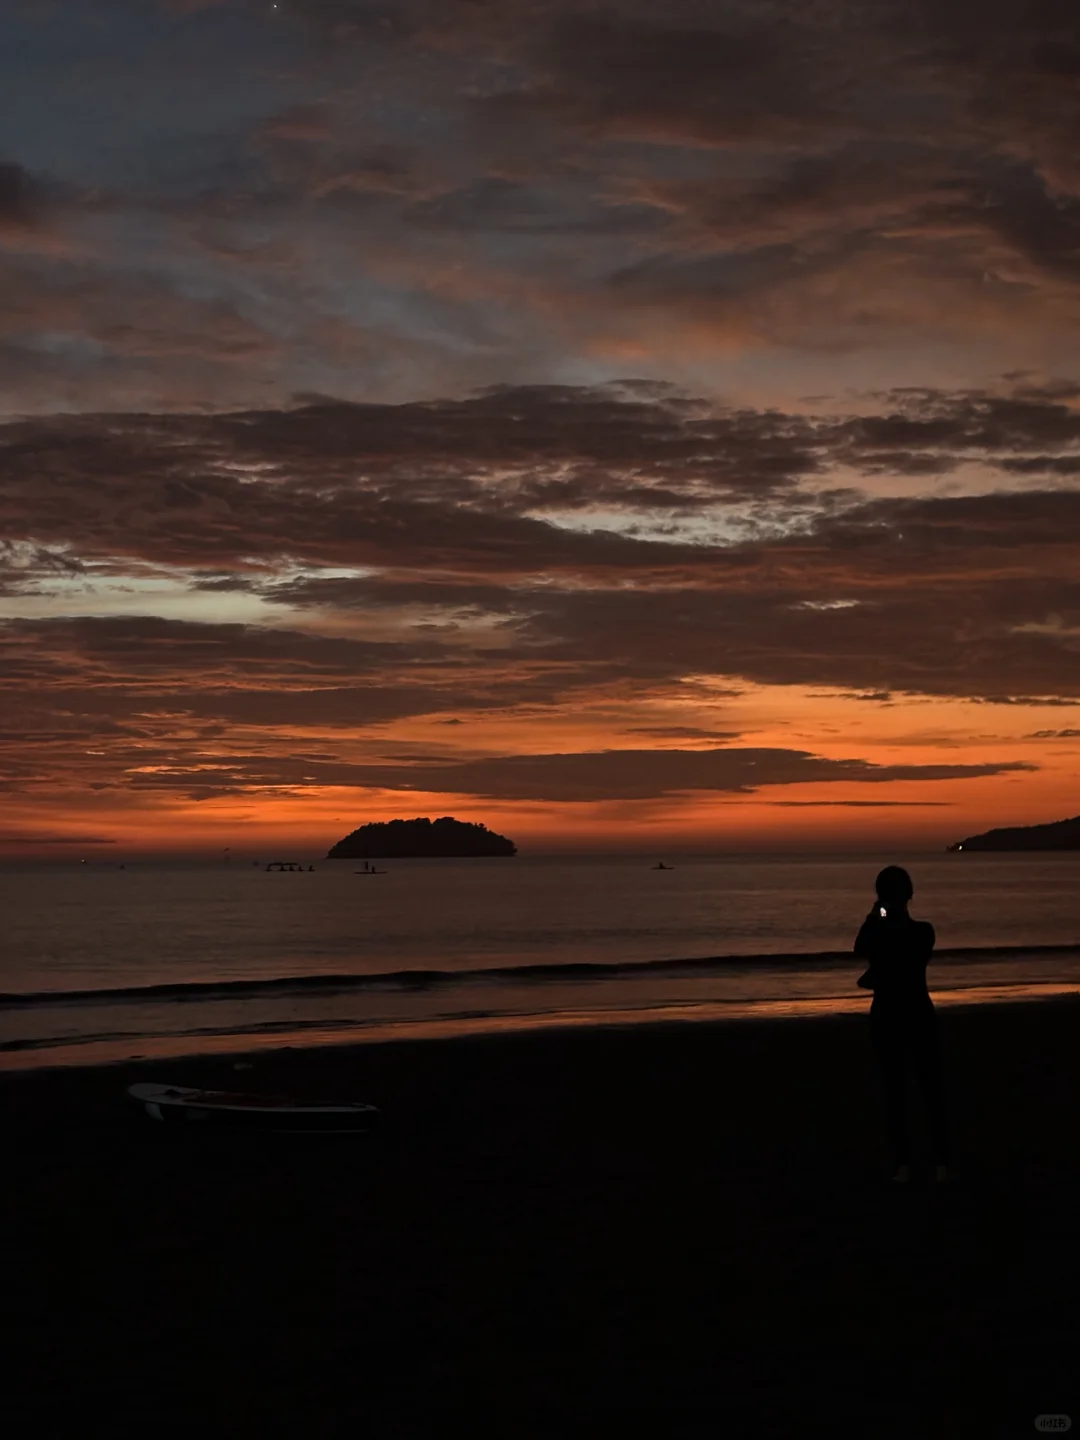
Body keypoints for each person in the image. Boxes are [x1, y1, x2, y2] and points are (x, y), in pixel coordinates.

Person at [854, 865, 951, 1184]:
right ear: (909, 894)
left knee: (897, 1090)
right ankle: (939, 1162)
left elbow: (861, 947)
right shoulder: (924, 932)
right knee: (930, 1088)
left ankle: (904, 1164)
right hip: (918, 1012)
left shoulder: (886, 933)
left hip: (888, 1013)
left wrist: (876, 917)